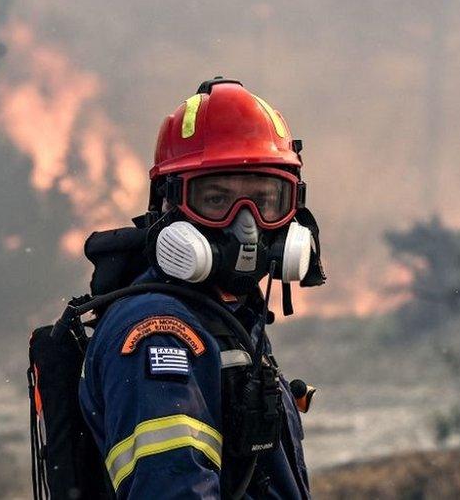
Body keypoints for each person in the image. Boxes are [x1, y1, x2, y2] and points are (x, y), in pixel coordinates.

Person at [78, 77, 325, 499]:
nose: (246, 226)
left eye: (265, 201)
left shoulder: (226, 318)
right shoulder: (160, 334)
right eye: (216, 200)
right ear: (168, 205)